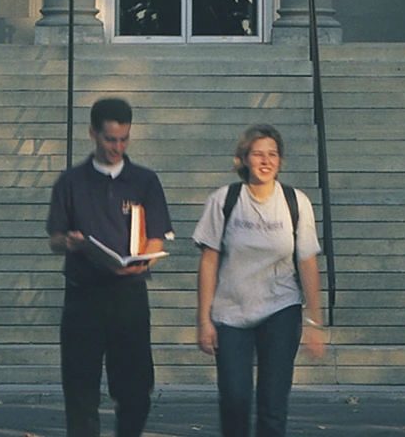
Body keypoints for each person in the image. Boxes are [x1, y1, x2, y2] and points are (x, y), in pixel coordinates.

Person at [47, 97, 173, 437]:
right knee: (80, 390)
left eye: (124, 139)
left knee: (135, 390)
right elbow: (54, 237)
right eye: (109, 139)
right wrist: (69, 241)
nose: (117, 147)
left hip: (129, 296)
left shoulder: (144, 181)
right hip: (83, 297)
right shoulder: (71, 181)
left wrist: (143, 258)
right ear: (93, 134)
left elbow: (158, 236)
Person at [192, 123, 326, 437]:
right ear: (244, 159)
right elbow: (209, 261)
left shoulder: (296, 202)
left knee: (272, 404)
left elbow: (307, 262)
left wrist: (315, 323)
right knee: (235, 400)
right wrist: (203, 320)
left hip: (281, 309)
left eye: (272, 154)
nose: (265, 161)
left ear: (280, 160)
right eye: (257, 154)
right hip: (231, 313)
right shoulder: (223, 200)